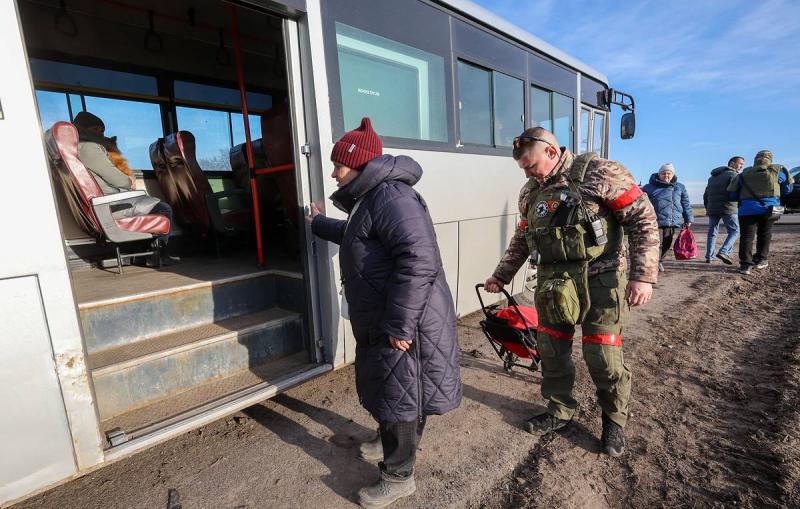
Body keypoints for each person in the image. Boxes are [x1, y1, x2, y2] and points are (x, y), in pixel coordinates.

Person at [307, 117, 461, 508]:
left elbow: (419, 261)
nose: (333, 172)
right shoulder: (373, 197)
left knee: (401, 393)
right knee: (399, 392)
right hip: (394, 315)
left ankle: (398, 476)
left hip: (406, 319)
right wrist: (317, 223)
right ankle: (389, 443)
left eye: (338, 165)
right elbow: (358, 235)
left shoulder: (391, 197)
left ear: (358, 163)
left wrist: (399, 323)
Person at [484, 127, 659, 457]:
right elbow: (523, 238)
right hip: (554, 284)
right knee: (551, 349)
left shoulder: (600, 172)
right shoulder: (530, 193)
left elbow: (642, 218)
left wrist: (643, 276)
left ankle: (613, 421)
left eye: (531, 165)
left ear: (551, 152)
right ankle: (559, 410)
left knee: (603, 355)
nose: (527, 173)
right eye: (523, 168)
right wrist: (501, 276)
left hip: (601, 279)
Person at [73, 111, 177, 265]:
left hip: (105, 204)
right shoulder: (89, 148)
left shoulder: (80, 148)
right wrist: (129, 182)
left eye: (102, 131)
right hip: (109, 206)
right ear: (84, 129)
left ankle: (141, 253)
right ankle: (158, 254)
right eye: (96, 130)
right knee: (163, 208)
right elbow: (116, 178)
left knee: (152, 204)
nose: (101, 134)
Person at [727, 150, 793, 275]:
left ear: (755, 159)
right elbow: (788, 189)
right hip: (769, 209)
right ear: (770, 159)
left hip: (746, 210)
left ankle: (745, 265)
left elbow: (732, 194)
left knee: (747, 236)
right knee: (764, 233)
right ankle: (761, 260)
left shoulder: (744, 174)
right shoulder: (778, 171)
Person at [642, 163, 693, 272]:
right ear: (659, 174)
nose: (666, 175)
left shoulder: (680, 187)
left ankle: (660, 261)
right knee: (655, 243)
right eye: (664, 173)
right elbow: (642, 203)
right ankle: (654, 263)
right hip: (654, 220)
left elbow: (685, 204)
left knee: (667, 243)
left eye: (669, 173)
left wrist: (688, 218)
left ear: (673, 174)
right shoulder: (648, 187)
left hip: (672, 220)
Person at [702, 156, 743, 264]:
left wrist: (708, 207)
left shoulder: (712, 178)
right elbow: (736, 192)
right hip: (728, 207)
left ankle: (709, 257)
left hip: (712, 208)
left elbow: (706, 195)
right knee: (735, 231)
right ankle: (724, 251)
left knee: (712, 233)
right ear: (732, 163)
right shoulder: (734, 175)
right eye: (740, 163)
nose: (741, 166)